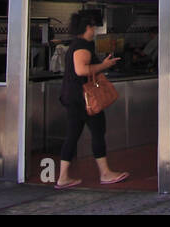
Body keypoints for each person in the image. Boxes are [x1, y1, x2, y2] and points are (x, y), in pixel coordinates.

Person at [55, 10, 129, 189]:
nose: (94, 30)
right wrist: (104, 65)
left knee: (72, 135)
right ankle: (105, 173)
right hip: (85, 98)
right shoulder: (83, 45)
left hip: (72, 97)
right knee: (97, 131)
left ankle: (63, 177)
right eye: (94, 26)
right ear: (88, 27)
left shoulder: (75, 44)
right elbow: (81, 70)